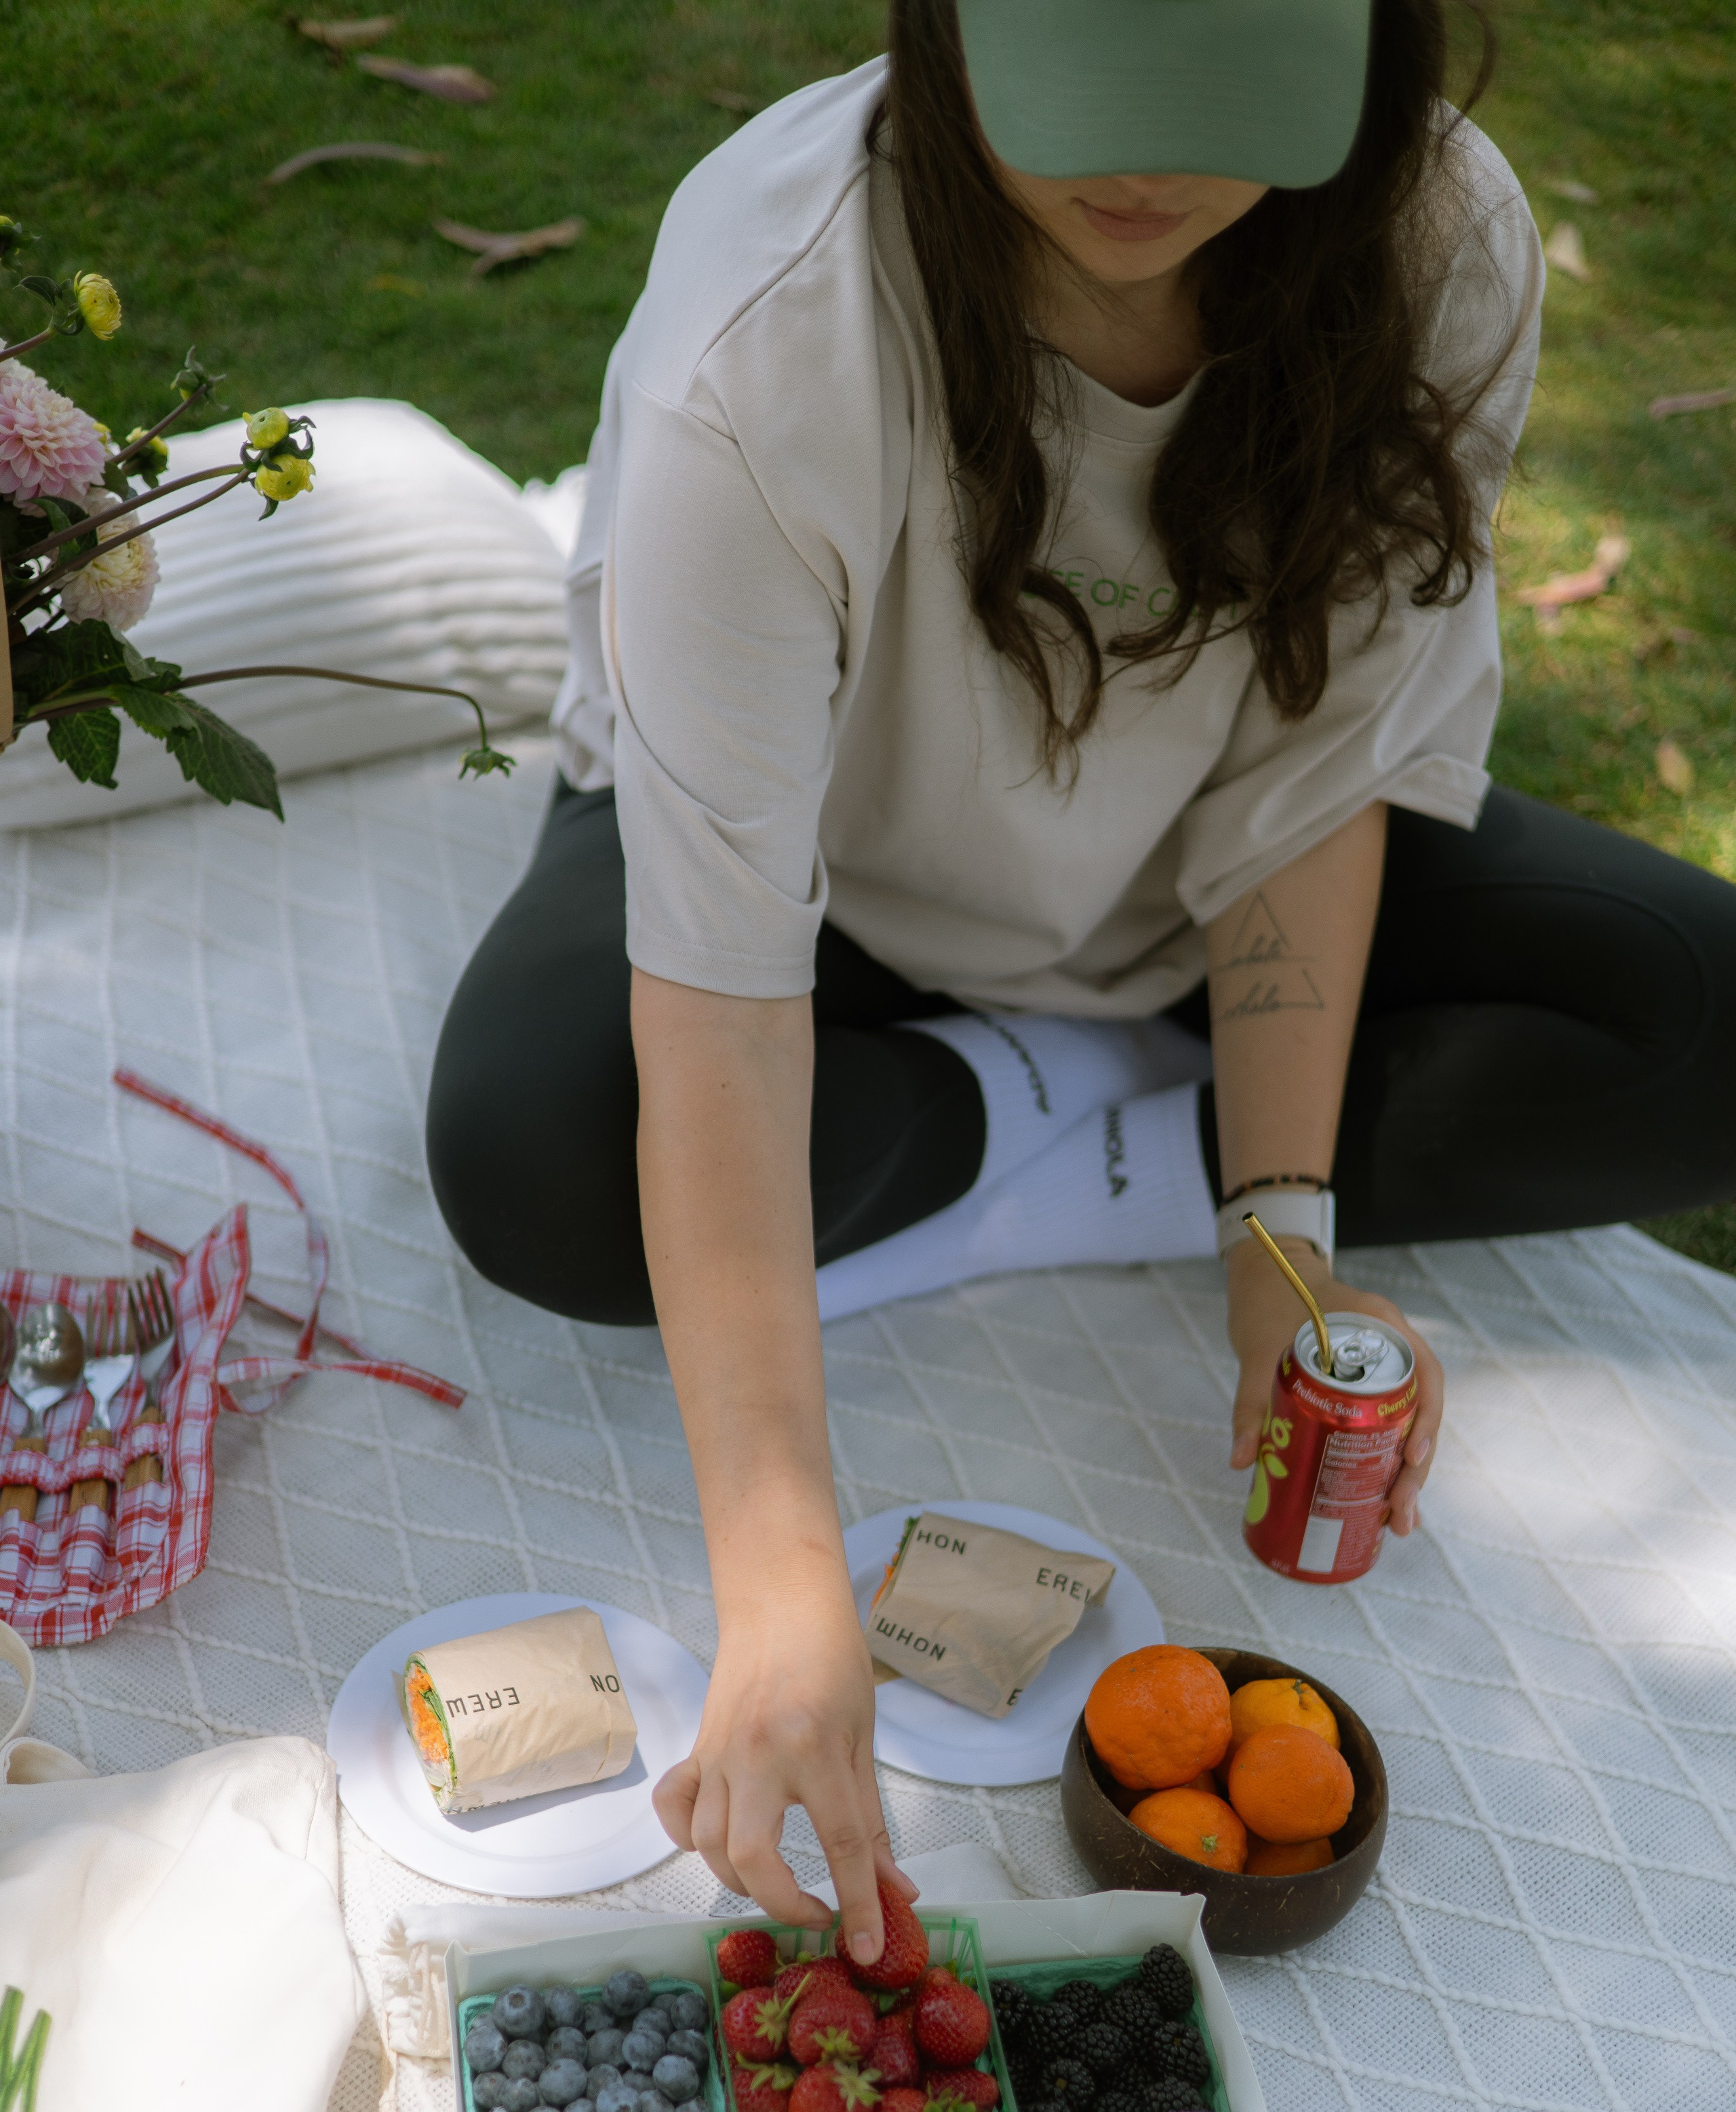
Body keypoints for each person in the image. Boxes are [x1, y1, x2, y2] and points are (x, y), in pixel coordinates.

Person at [426, 0, 1736, 1966]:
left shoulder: (1439, 241)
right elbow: (718, 974)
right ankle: (1064, 1113)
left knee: (1700, 1021)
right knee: (535, 1162)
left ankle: (1076, 1125)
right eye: (1085, 98)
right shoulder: (765, 326)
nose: (1144, 174)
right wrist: (782, 1583)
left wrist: (1275, 1241)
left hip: (1197, 878)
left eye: (1228, 108)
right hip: (822, 895)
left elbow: (1316, 772)